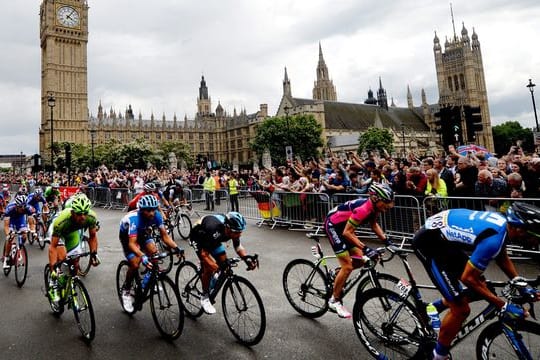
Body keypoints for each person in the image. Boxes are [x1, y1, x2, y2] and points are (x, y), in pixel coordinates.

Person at [412, 202, 540, 360]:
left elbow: (501, 254)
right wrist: (503, 305)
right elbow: (468, 278)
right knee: (461, 309)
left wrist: (520, 282)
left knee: (484, 288)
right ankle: (438, 356)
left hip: (445, 242)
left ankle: (432, 308)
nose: (534, 241)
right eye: (532, 236)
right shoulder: (494, 238)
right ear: (518, 228)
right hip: (429, 244)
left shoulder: (503, 227)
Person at [324, 183, 394, 318]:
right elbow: (347, 233)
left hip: (345, 228)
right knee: (347, 266)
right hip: (334, 227)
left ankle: (335, 274)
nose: (389, 206)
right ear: (375, 198)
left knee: (360, 260)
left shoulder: (374, 208)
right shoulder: (364, 209)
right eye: (386, 202)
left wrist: (387, 242)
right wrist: (367, 248)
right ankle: (334, 300)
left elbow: (374, 225)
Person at [119, 195, 182, 313]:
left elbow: (165, 236)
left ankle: (150, 279)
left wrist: (176, 248)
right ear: (142, 210)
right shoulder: (134, 218)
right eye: (148, 210)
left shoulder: (157, 215)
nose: (152, 213)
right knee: (135, 263)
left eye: (154, 209)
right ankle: (126, 290)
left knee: (154, 253)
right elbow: (132, 244)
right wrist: (142, 256)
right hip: (128, 237)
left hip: (143, 233)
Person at [190, 211, 257, 314]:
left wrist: (247, 259)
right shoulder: (214, 228)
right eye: (236, 232)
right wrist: (212, 266)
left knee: (224, 264)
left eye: (240, 231)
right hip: (199, 237)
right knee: (208, 268)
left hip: (214, 239)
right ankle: (205, 297)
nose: (239, 234)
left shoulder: (233, 229)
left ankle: (210, 280)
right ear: (227, 227)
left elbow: (238, 247)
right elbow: (204, 254)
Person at [47, 195, 101, 304]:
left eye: (85, 213)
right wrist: (53, 267)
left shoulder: (91, 217)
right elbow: (52, 247)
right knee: (62, 257)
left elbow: (93, 237)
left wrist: (94, 254)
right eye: (79, 214)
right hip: (59, 232)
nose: (83, 217)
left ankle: (72, 288)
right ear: (72, 213)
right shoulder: (61, 221)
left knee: (75, 262)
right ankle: (53, 283)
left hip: (72, 233)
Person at [3, 195, 34, 269]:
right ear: (16, 206)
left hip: (20, 219)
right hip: (11, 219)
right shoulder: (10, 208)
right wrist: (9, 234)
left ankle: (19, 248)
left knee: (24, 235)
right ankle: (6, 258)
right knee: (10, 238)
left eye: (24, 207)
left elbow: (31, 223)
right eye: (20, 207)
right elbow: (6, 226)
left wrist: (33, 231)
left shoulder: (28, 208)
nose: (23, 209)